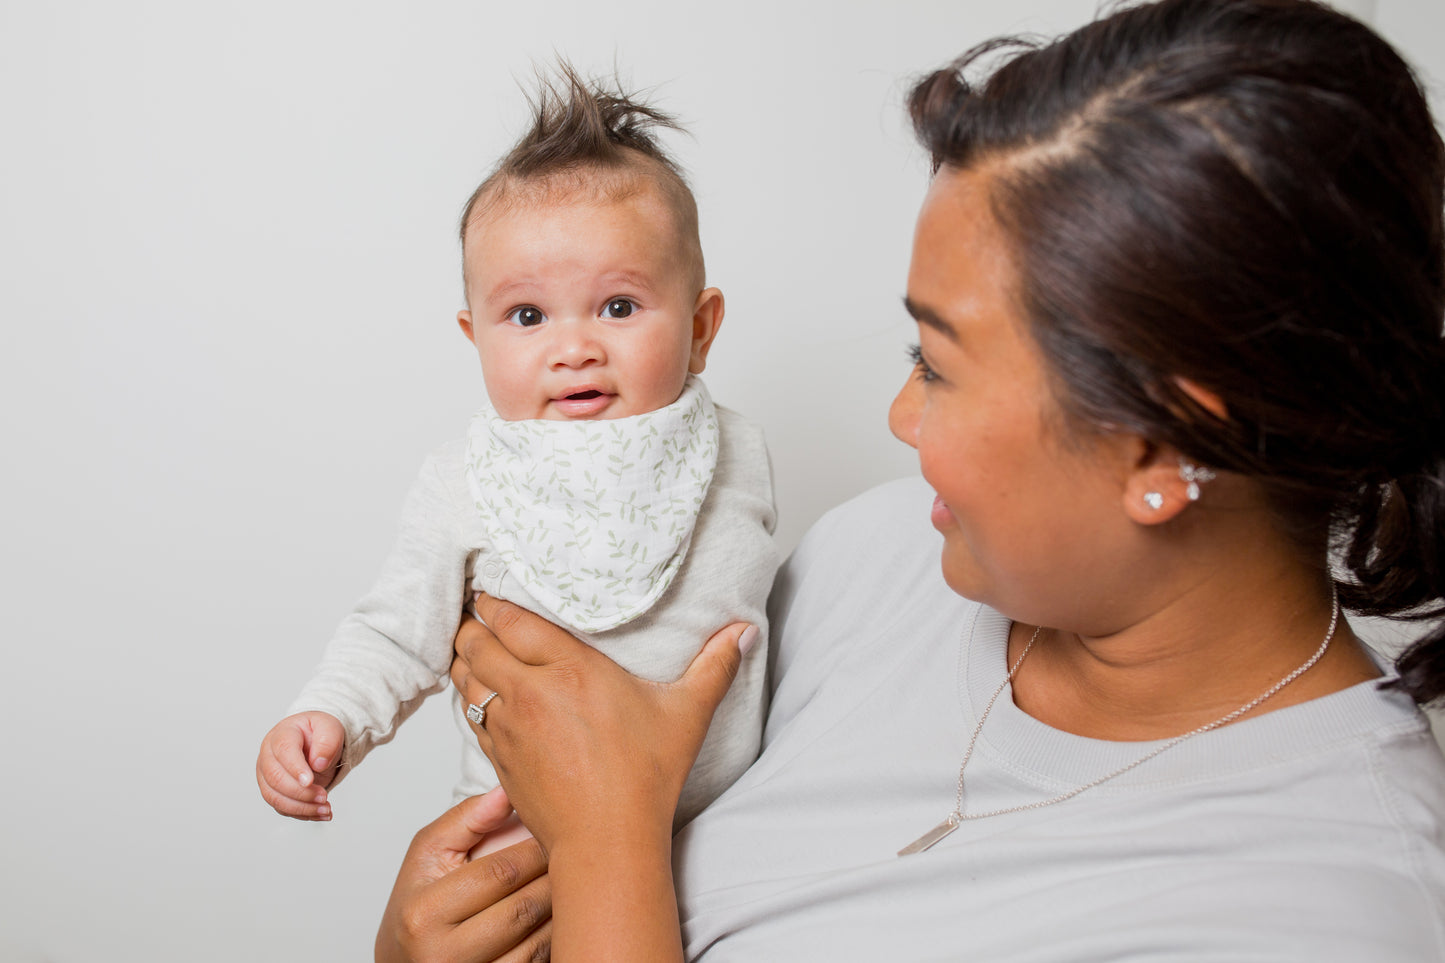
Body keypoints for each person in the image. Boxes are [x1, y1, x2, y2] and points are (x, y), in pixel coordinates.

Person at [379, 0, 1445, 958]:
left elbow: (617, 835)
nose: (897, 419)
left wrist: (609, 840)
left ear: (1160, 445)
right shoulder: (876, 558)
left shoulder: (1330, 911)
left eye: (937, 364)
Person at [253, 66, 778, 846]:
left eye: (619, 306)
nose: (573, 348)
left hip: (730, 834)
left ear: (701, 328)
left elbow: (767, 622)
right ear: (475, 339)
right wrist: (328, 713)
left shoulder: (736, 449)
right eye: (527, 314)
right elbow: (398, 632)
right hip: (523, 841)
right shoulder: (464, 477)